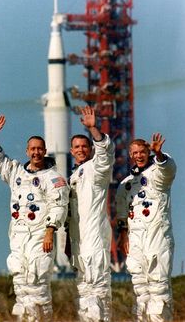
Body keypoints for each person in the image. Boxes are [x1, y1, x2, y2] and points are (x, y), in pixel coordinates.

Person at [0, 115, 69, 322]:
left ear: (45, 151)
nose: (36, 152)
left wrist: (50, 232)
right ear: (27, 151)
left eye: (40, 148)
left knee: (37, 285)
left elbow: (59, 206)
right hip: (18, 237)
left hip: (40, 237)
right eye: (32, 149)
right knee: (21, 286)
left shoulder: (54, 179)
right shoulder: (16, 173)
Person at [116, 133, 177, 322]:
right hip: (136, 241)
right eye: (134, 153)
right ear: (130, 155)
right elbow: (122, 214)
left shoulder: (158, 174)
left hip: (157, 237)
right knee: (141, 290)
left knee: (158, 288)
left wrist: (159, 155)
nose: (139, 156)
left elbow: (168, 170)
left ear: (148, 152)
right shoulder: (126, 184)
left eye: (142, 152)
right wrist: (123, 235)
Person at [67, 106, 115, 322]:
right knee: (85, 291)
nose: (80, 149)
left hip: (94, 236)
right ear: (71, 151)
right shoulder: (73, 176)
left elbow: (106, 153)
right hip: (79, 240)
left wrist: (93, 129)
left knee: (98, 289)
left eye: (84, 146)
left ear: (90, 148)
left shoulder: (96, 168)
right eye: (76, 147)